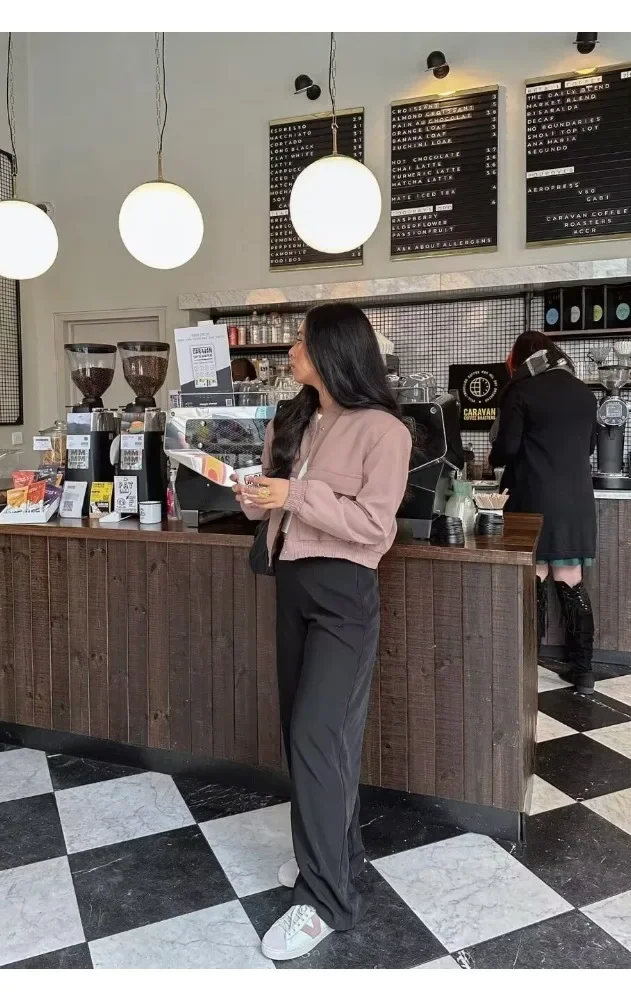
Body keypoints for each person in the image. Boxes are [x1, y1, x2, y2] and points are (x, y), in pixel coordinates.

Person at [233, 302, 411, 961]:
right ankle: (336, 856)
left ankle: (326, 901)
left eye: (303, 342)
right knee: (304, 733)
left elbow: (374, 527)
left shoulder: (383, 430)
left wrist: (294, 496)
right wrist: (256, 499)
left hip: (344, 595)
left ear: (337, 351)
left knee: (318, 736)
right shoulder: (293, 419)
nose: (292, 351)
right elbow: (271, 509)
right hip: (292, 587)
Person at [489, 330, 598, 694]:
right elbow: (590, 446)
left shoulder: (521, 390)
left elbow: (507, 447)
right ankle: (583, 671)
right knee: (570, 577)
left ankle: (527, 666)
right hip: (576, 500)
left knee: (532, 577)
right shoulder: (584, 393)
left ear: (520, 358)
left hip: (532, 496)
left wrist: (493, 455)